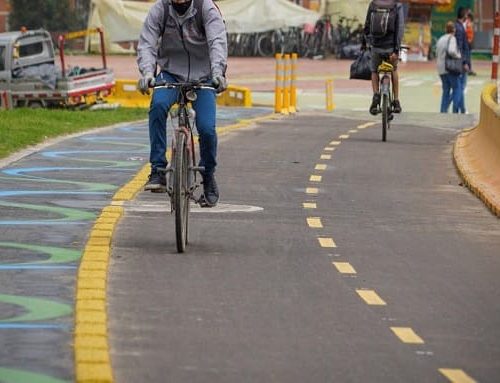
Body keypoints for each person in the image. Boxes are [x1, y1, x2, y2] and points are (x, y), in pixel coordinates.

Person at [137, 0, 228, 207]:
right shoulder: (160, 9)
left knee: (206, 128)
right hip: (170, 74)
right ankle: (158, 171)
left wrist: (218, 73)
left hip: (204, 76)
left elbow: (217, 42)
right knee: (158, 106)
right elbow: (147, 43)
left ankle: (208, 176)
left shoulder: (206, 8)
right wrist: (148, 73)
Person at [362, 0, 405, 115]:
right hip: (391, 48)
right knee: (394, 70)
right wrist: (396, 49)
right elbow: (399, 29)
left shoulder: (373, 4)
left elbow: (367, 26)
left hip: (376, 47)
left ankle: (376, 95)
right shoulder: (397, 5)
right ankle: (396, 101)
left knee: (374, 71)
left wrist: (365, 43)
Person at [436, 21, 461, 113]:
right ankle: (455, 110)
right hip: (450, 68)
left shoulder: (441, 39)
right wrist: (459, 55)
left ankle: (443, 111)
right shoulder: (452, 38)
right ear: (454, 29)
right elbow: (452, 51)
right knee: (457, 88)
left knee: (445, 91)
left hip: (441, 68)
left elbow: (436, 53)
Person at [455, 7, 470, 114]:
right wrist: (464, 62)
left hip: (460, 61)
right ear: (464, 15)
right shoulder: (459, 29)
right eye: (467, 15)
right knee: (460, 87)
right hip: (461, 63)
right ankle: (458, 108)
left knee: (460, 87)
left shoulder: (459, 27)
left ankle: (461, 108)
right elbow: (460, 47)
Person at [464, 10, 476, 76]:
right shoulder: (467, 23)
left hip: (469, 42)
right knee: (467, 56)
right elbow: (466, 32)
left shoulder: (470, 23)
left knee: (468, 56)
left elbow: (470, 33)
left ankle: (469, 69)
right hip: (467, 42)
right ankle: (468, 70)